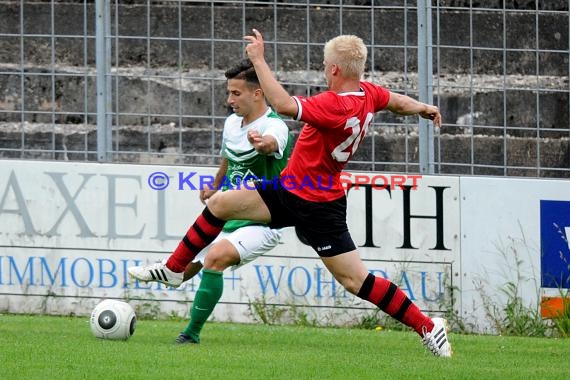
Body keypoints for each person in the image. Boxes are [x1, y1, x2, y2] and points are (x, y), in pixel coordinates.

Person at [129, 29, 452, 357]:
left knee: (356, 282)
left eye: (326, 65)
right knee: (220, 203)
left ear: (335, 70)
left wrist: (259, 59)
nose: (324, 70)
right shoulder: (369, 94)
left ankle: (427, 325)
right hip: (290, 190)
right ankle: (173, 269)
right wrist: (423, 107)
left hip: (318, 205)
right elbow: (396, 102)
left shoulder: (333, 104)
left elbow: (282, 105)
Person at [129, 58, 291, 344]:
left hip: (264, 222)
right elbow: (228, 159)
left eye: (236, 93)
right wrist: (214, 185)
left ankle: (190, 333)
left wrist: (263, 143)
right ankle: (173, 272)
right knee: (193, 267)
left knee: (214, 259)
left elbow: (273, 143)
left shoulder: (275, 125)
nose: (229, 100)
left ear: (258, 93)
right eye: (228, 93)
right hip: (228, 214)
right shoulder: (231, 123)